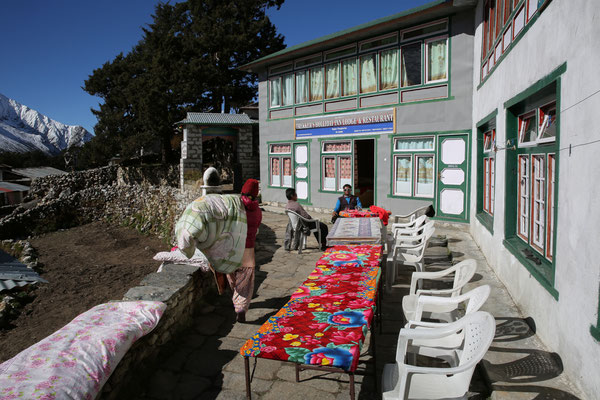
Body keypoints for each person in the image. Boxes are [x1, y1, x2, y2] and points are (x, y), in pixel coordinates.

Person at [226, 179, 262, 323]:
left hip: (232, 250)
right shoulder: (257, 211)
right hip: (248, 251)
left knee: (232, 278)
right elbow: (257, 228)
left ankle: (236, 300)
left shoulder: (235, 207)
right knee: (245, 283)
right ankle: (240, 307)